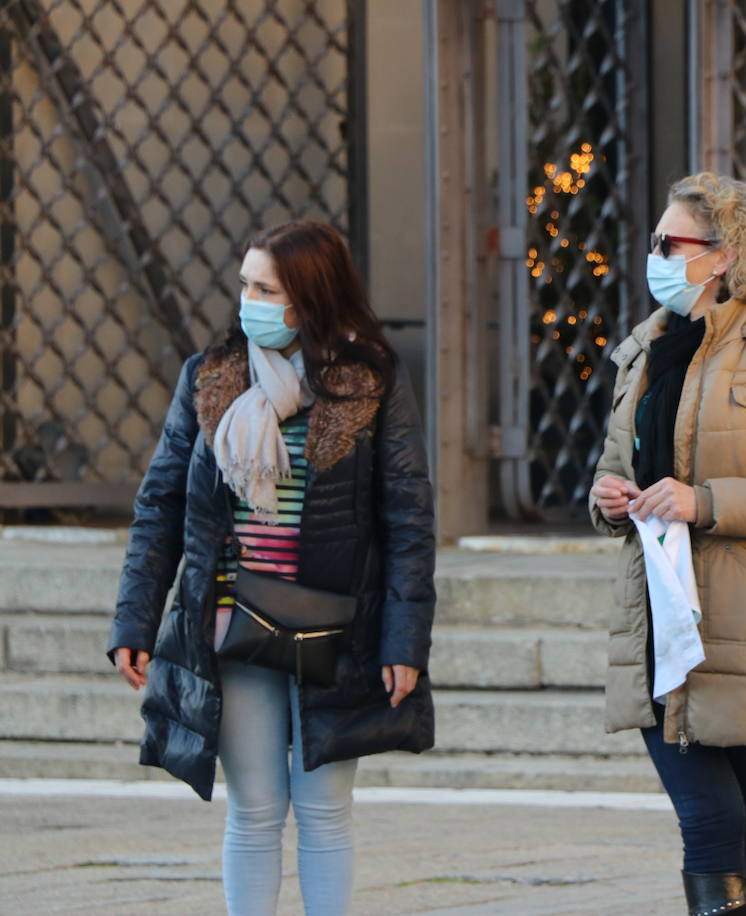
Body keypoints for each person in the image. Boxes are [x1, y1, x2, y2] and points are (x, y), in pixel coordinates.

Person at [107, 220, 436, 915]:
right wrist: (133, 619)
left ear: (311, 297)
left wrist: (404, 641)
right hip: (233, 624)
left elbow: (407, 514)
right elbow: (161, 503)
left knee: (323, 808)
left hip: (336, 626)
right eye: (245, 284)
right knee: (254, 808)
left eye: (266, 287)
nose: (247, 300)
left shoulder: (369, 379)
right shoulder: (211, 377)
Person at [588, 173, 746, 916]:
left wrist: (704, 502)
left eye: (669, 242)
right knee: (713, 816)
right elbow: (616, 464)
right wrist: (607, 496)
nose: (653, 255)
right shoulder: (647, 349)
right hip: (663, 611)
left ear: (721, 256)